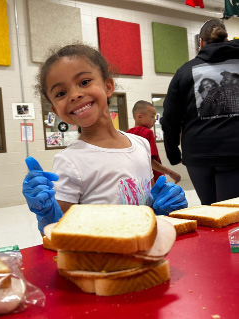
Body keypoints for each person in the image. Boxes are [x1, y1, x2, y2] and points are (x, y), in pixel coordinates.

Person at [23, 44, 187, 233]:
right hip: (102, 259)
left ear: (108, 86)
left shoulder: (140, 144)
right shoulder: (69, 161)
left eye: (84, 82)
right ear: (55, 111)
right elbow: (59, 232)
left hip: (148, 253)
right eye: (61, 93)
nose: (74, 95)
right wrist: (47, 214)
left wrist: (162, 208)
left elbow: (148, 203)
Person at [161, 19, 239, 205]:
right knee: (233, 216)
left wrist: (173, 153)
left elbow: (170, 118)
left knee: (210, 210)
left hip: (198, 154)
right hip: (234, 151)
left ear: (200, 43)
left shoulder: (185, 71)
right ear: (226, 39)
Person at [127, 100, 181, 184]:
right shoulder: (147, 132)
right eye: (152, 116)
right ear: (139, 117)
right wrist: (171, 172)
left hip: (139, 179)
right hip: (154, 180)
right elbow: (151, 162)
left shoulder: (128, 133)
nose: (155, 120)